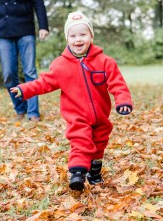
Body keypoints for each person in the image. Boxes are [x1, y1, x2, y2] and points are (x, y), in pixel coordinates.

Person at [10, 11, 133, 191]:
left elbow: (117, 83)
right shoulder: (61, 65)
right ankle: (77, 173)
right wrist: (25, 89)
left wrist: (123, 101)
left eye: (83, 34)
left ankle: (94, 172)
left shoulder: (105, 62)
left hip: (101, 117)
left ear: (91, 35)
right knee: (81, 141)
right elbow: (44, 82)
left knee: (99, 144)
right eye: (73, 35)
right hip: (77, 116)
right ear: (67, 39)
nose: (78, 39)